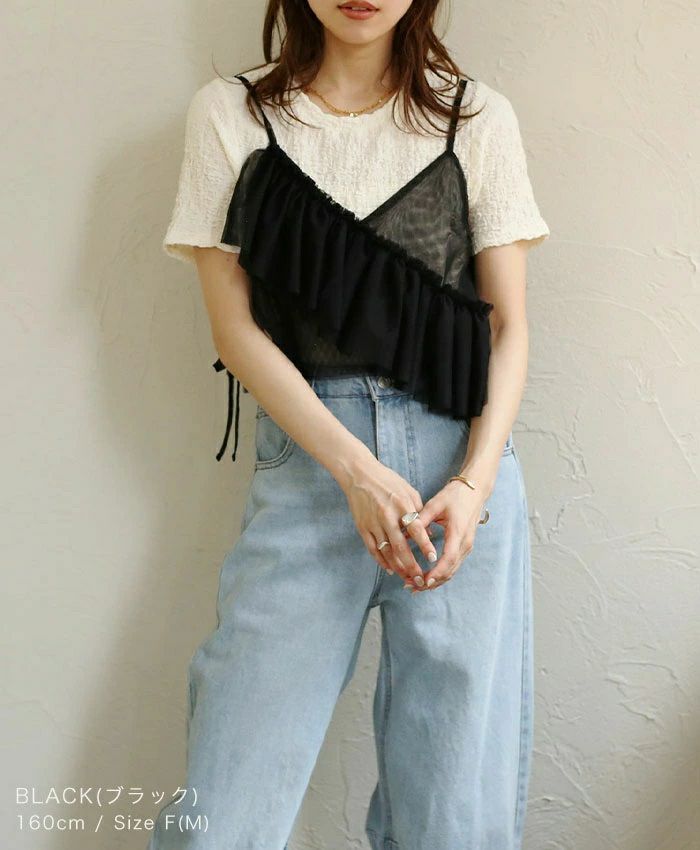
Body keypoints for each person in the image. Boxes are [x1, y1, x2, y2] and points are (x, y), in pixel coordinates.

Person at [150, 1, 550, 848]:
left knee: (454, 817)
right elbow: (235, 331)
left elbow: (509, 328)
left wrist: (474, 485)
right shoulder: (232, 114)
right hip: (311, 468)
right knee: (225, 811)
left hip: (461, 479)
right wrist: (357, 472)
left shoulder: (475, 116)